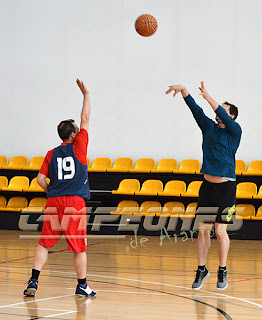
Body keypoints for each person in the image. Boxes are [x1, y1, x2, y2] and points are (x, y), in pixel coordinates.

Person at [166, 82, 242, 290]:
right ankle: (201, 269)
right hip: (207, 188)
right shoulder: (208, 127)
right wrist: (185, 92)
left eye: (224, 110)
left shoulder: (235, 131)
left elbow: (221, 114)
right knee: (202, 231)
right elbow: (196, 110)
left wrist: (208, 97)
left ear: (232, 116)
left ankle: (222, 269)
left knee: (220, 231)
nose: (219, 113)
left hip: (226, 189)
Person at [24, 79, 95, 297]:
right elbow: (85, 118)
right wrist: (86, 95)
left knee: (44, 244)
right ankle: (82, 285)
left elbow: (39, 179)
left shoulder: (51, 153)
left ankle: (33, 281)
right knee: (79, 247)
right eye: (76, 129)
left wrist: (50, 191)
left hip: (54, 201)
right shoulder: (79, 147)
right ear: (73, 135)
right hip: (74, 202)